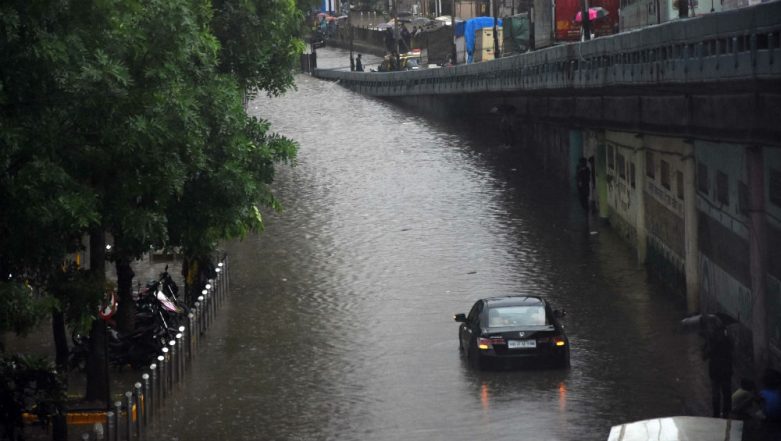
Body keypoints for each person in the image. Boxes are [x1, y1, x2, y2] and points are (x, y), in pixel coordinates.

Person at [702, 325, 733, 418]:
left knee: (725, 394)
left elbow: (732, 353)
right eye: (718, 332)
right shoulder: (711, 341)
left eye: (721, 332)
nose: (720, 334)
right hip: (717, 373)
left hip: (724, 372)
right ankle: (717, 415)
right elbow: (704, 356)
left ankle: (724, 414)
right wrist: (709, 349)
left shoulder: (728, 341)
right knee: (718, 396)